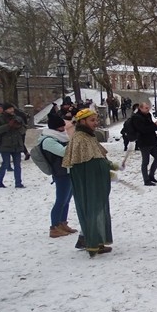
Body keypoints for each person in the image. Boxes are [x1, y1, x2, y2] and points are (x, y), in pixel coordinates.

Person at [62, 109, 117, 256]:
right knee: (91, 209)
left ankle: (98, 241)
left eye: (96, 120)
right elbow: (88, 163)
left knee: (98, 209)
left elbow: (98, 157)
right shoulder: (80, 138)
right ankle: (91, 243)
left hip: (95, 179)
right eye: (92, 120)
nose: (95, 123)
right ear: (82, 121)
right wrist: (107, 169)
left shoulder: (89, 136)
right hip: (88, 181)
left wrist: (110, 166)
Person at [38, 113, 78, 238]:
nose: (64, 128)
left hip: (68, 170)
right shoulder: (48, 140)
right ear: (55, 127)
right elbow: (62, 152)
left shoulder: (60, 137)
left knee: (66, 200)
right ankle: (54, 227)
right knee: (60, 200)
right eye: (61, 127)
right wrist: (76, 143)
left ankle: (62, 223)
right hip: (60, 173)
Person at [0, 103, 26, 188]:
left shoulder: (18, 118)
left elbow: (24, 130)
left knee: (17, 165)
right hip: (5, 144)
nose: (12, 110)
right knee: (5, 163)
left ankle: (18, 183)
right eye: (9, 109)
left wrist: (19, 127)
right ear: (5, 110)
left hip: (17, 144)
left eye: (12, 108)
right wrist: (8, 126)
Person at [132, 102, 157, 186]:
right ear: (140, 108)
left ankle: (151, 175)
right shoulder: (137, 118)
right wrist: (155, 126)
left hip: (152, 141)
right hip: (144, 142)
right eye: (146, 108)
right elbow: (143, 130)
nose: (148, 109)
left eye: (148, 108)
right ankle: (146, 180)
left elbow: (150, 126)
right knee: (145, 162)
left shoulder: (148, 115)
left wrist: (156, 124)